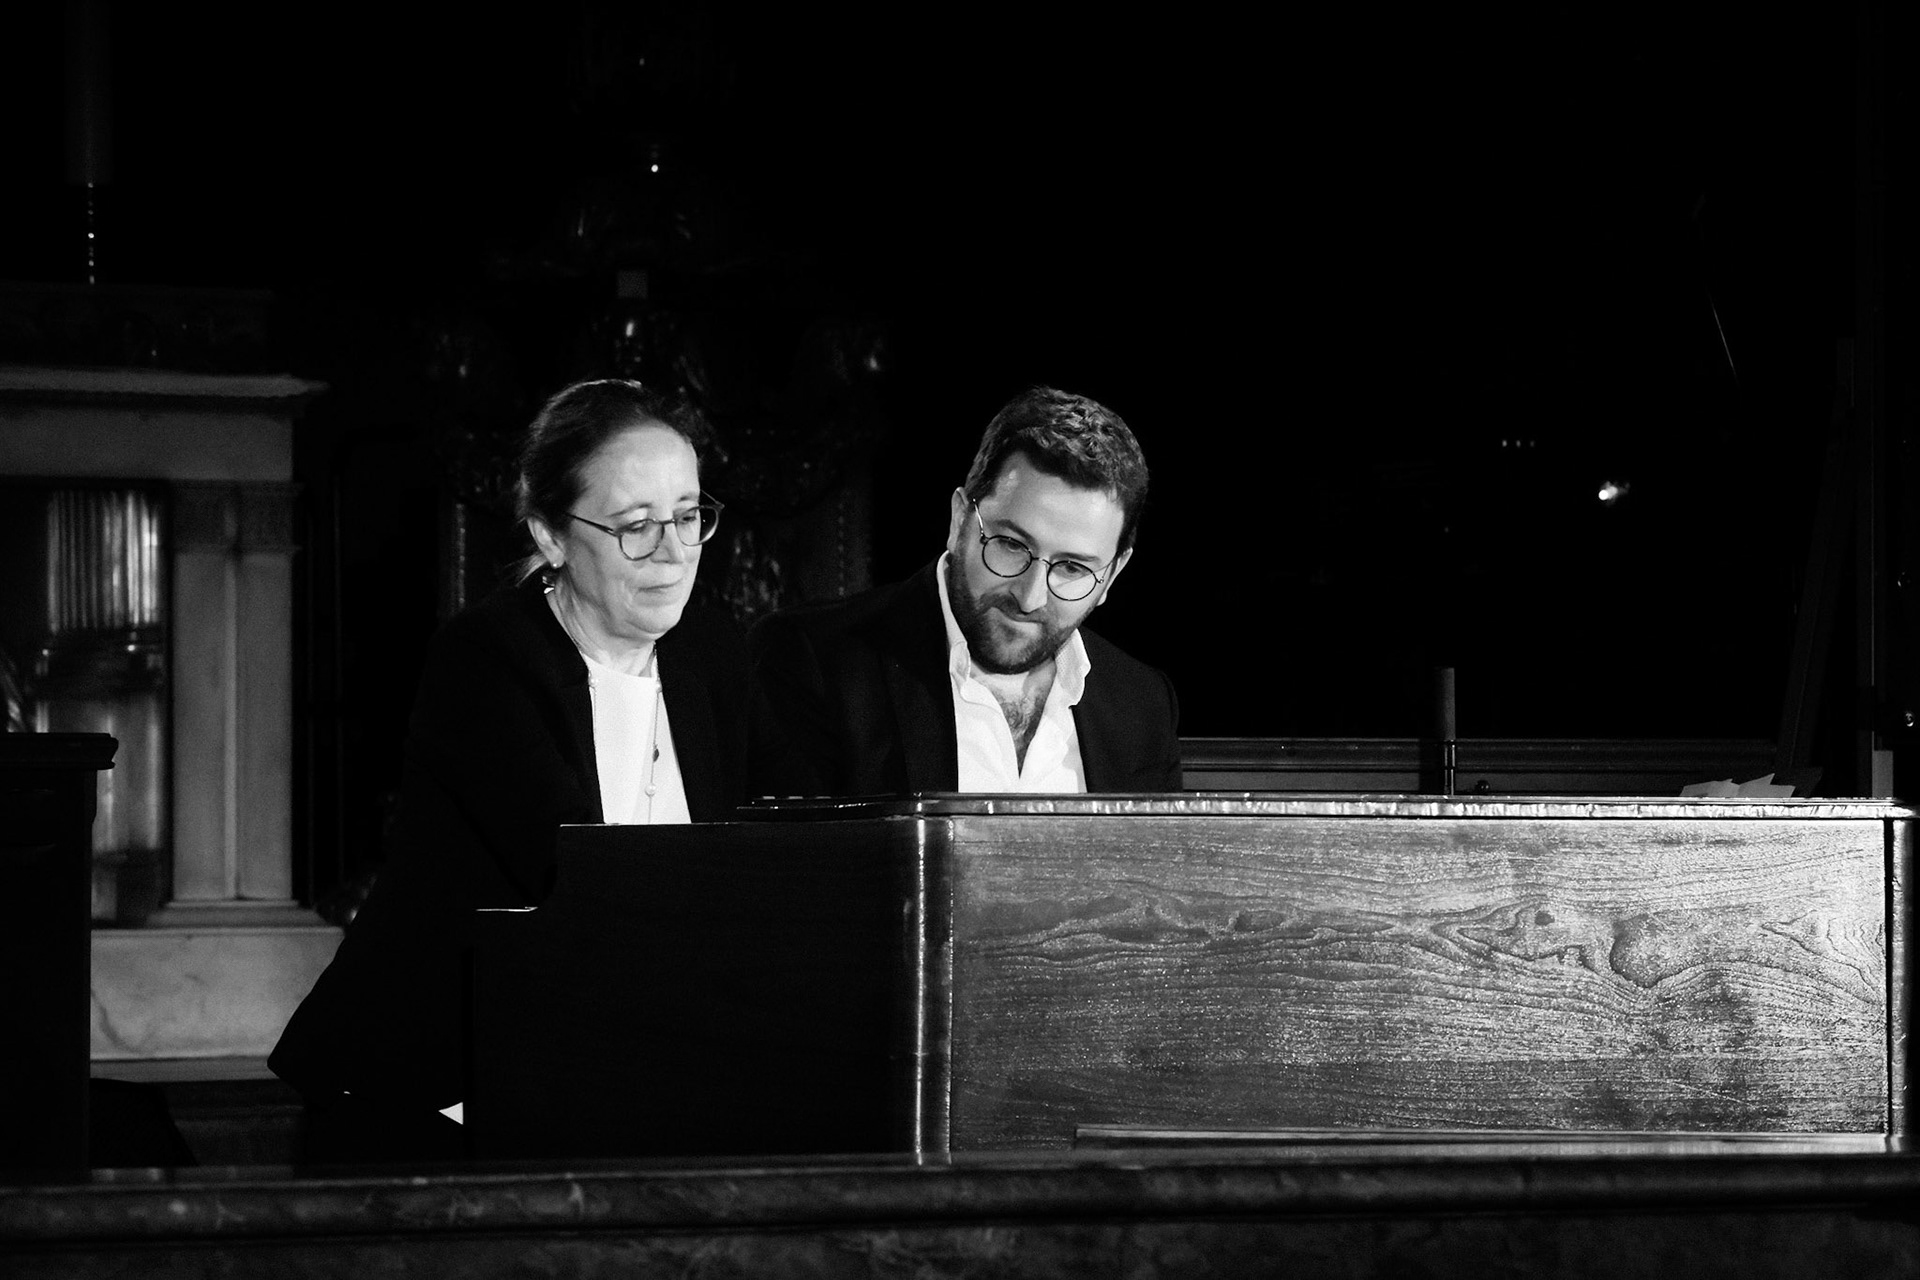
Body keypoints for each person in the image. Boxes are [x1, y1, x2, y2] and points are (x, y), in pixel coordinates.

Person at [271, 378, 801, 1161]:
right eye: (634, 526)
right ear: (551, 536)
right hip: (431, 1099)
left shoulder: (713, 653)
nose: (673, 553)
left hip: (620, 1079)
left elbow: (771, 853)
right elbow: (579, 881)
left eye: (689, 517)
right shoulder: (483, 663)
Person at [753, 386, 1180, 795]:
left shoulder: (1141, 705)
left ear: (1114, 573)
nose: (1030, 597)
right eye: (1012, 546)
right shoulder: (814, 661)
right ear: (960, 519)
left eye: (1072, 568)